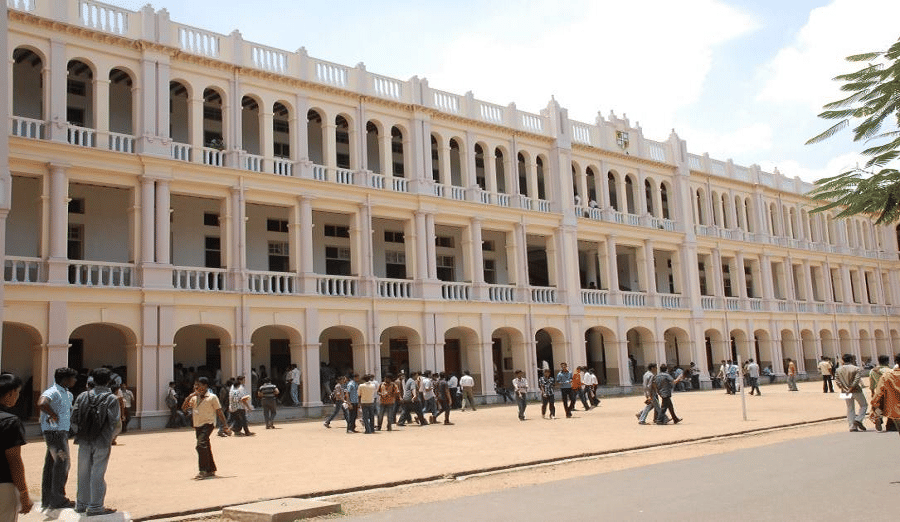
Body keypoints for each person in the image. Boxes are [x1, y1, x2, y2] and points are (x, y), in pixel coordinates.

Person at [72, 367, 120, 516]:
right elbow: (116, 424)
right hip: (102, 441)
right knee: (98, 473)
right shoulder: (111, 398)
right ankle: (96, 506)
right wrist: (110, 438)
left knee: (83, 472)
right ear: (108, 381)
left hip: (84, 441)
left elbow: (73, 420)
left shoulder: (82, 396)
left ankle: (81, 504)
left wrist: (81, 433)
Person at [37, 367, 77, 510]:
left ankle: (48, 499)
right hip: (55, 434)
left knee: (51, 465)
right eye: (73, 378)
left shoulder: (68, 394)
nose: (75, 380)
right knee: (62, 463)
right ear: (65, 379)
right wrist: (53, 414)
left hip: (61, 433)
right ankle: (58, 499)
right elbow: (42, 403)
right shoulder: (52, 391)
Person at [183, 377, 230, 480]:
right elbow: (184, 408)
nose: (196, 387)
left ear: (205, 386)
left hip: (208, 424)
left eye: (199, 385)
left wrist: (225, 425)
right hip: (197, 424)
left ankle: (203, 470)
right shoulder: (194, 398)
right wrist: (189, 396)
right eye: (195, 385)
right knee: (206, 446)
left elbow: (219, 411)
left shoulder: (212, 397)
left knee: (201, 445)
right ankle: (210, 469)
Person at [1, 373, 33, 520]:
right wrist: (24, 492)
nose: (18, 396)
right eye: (17, 392)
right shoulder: (10, 421)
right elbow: (14, 460)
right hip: (3, 484)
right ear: (10, 393)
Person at [835, 354, 867, 432]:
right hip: (856, 390)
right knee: (864, 405)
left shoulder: (838, 369)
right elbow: (857, 380)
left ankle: (852, 426)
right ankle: (858, 419)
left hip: (844, 391)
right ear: (852, 360)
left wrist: (843, 388)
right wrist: (851, 388)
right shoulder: (856, 368)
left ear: (843, 360)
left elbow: (837, 381)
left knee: (850, 408)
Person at [869, 354, 900, 436]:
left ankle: (879, 417)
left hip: (891, 399)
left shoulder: (875, 372)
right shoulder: (888, 371)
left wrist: (873, 404)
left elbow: (875, 388)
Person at [869, 355, 892, 431]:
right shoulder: (889, 371)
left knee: (879, 406)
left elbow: (871, 383)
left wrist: (872, 392)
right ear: (887, 361)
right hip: (888, 391)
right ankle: (891, 423)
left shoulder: (872, 371)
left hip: (878, 391)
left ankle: (878, 417)